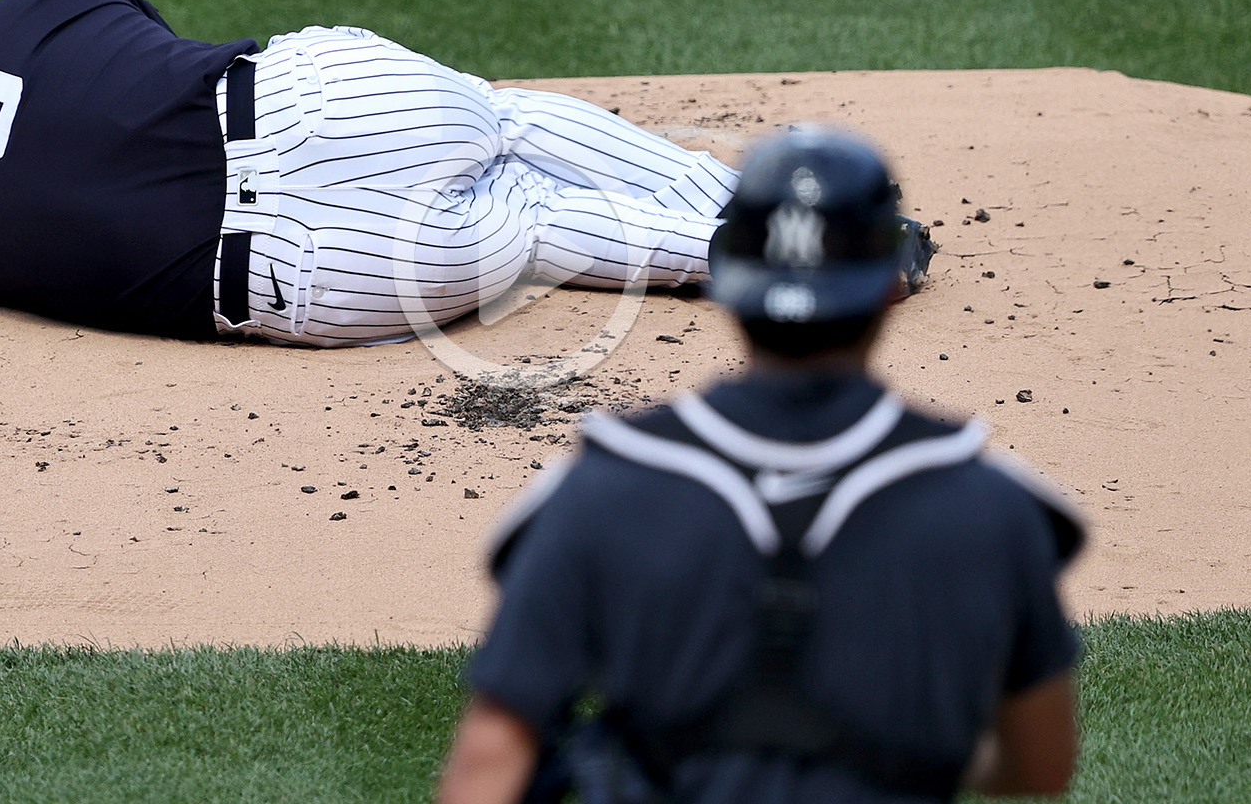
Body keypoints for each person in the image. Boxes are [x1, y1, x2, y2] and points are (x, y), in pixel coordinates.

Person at [438, 128, 1085, 804]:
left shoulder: (602, 490)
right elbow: (1041, 769)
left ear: (733, 286)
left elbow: (487, 771)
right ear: (883, 288)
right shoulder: (988, 505)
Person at [0, 0, 744, 347]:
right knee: (502, 124)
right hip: (314, 108)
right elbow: (155, 47)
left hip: (308, 286)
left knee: (534, 225)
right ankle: (741, 195)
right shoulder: (41, 4)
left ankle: (792, 258)